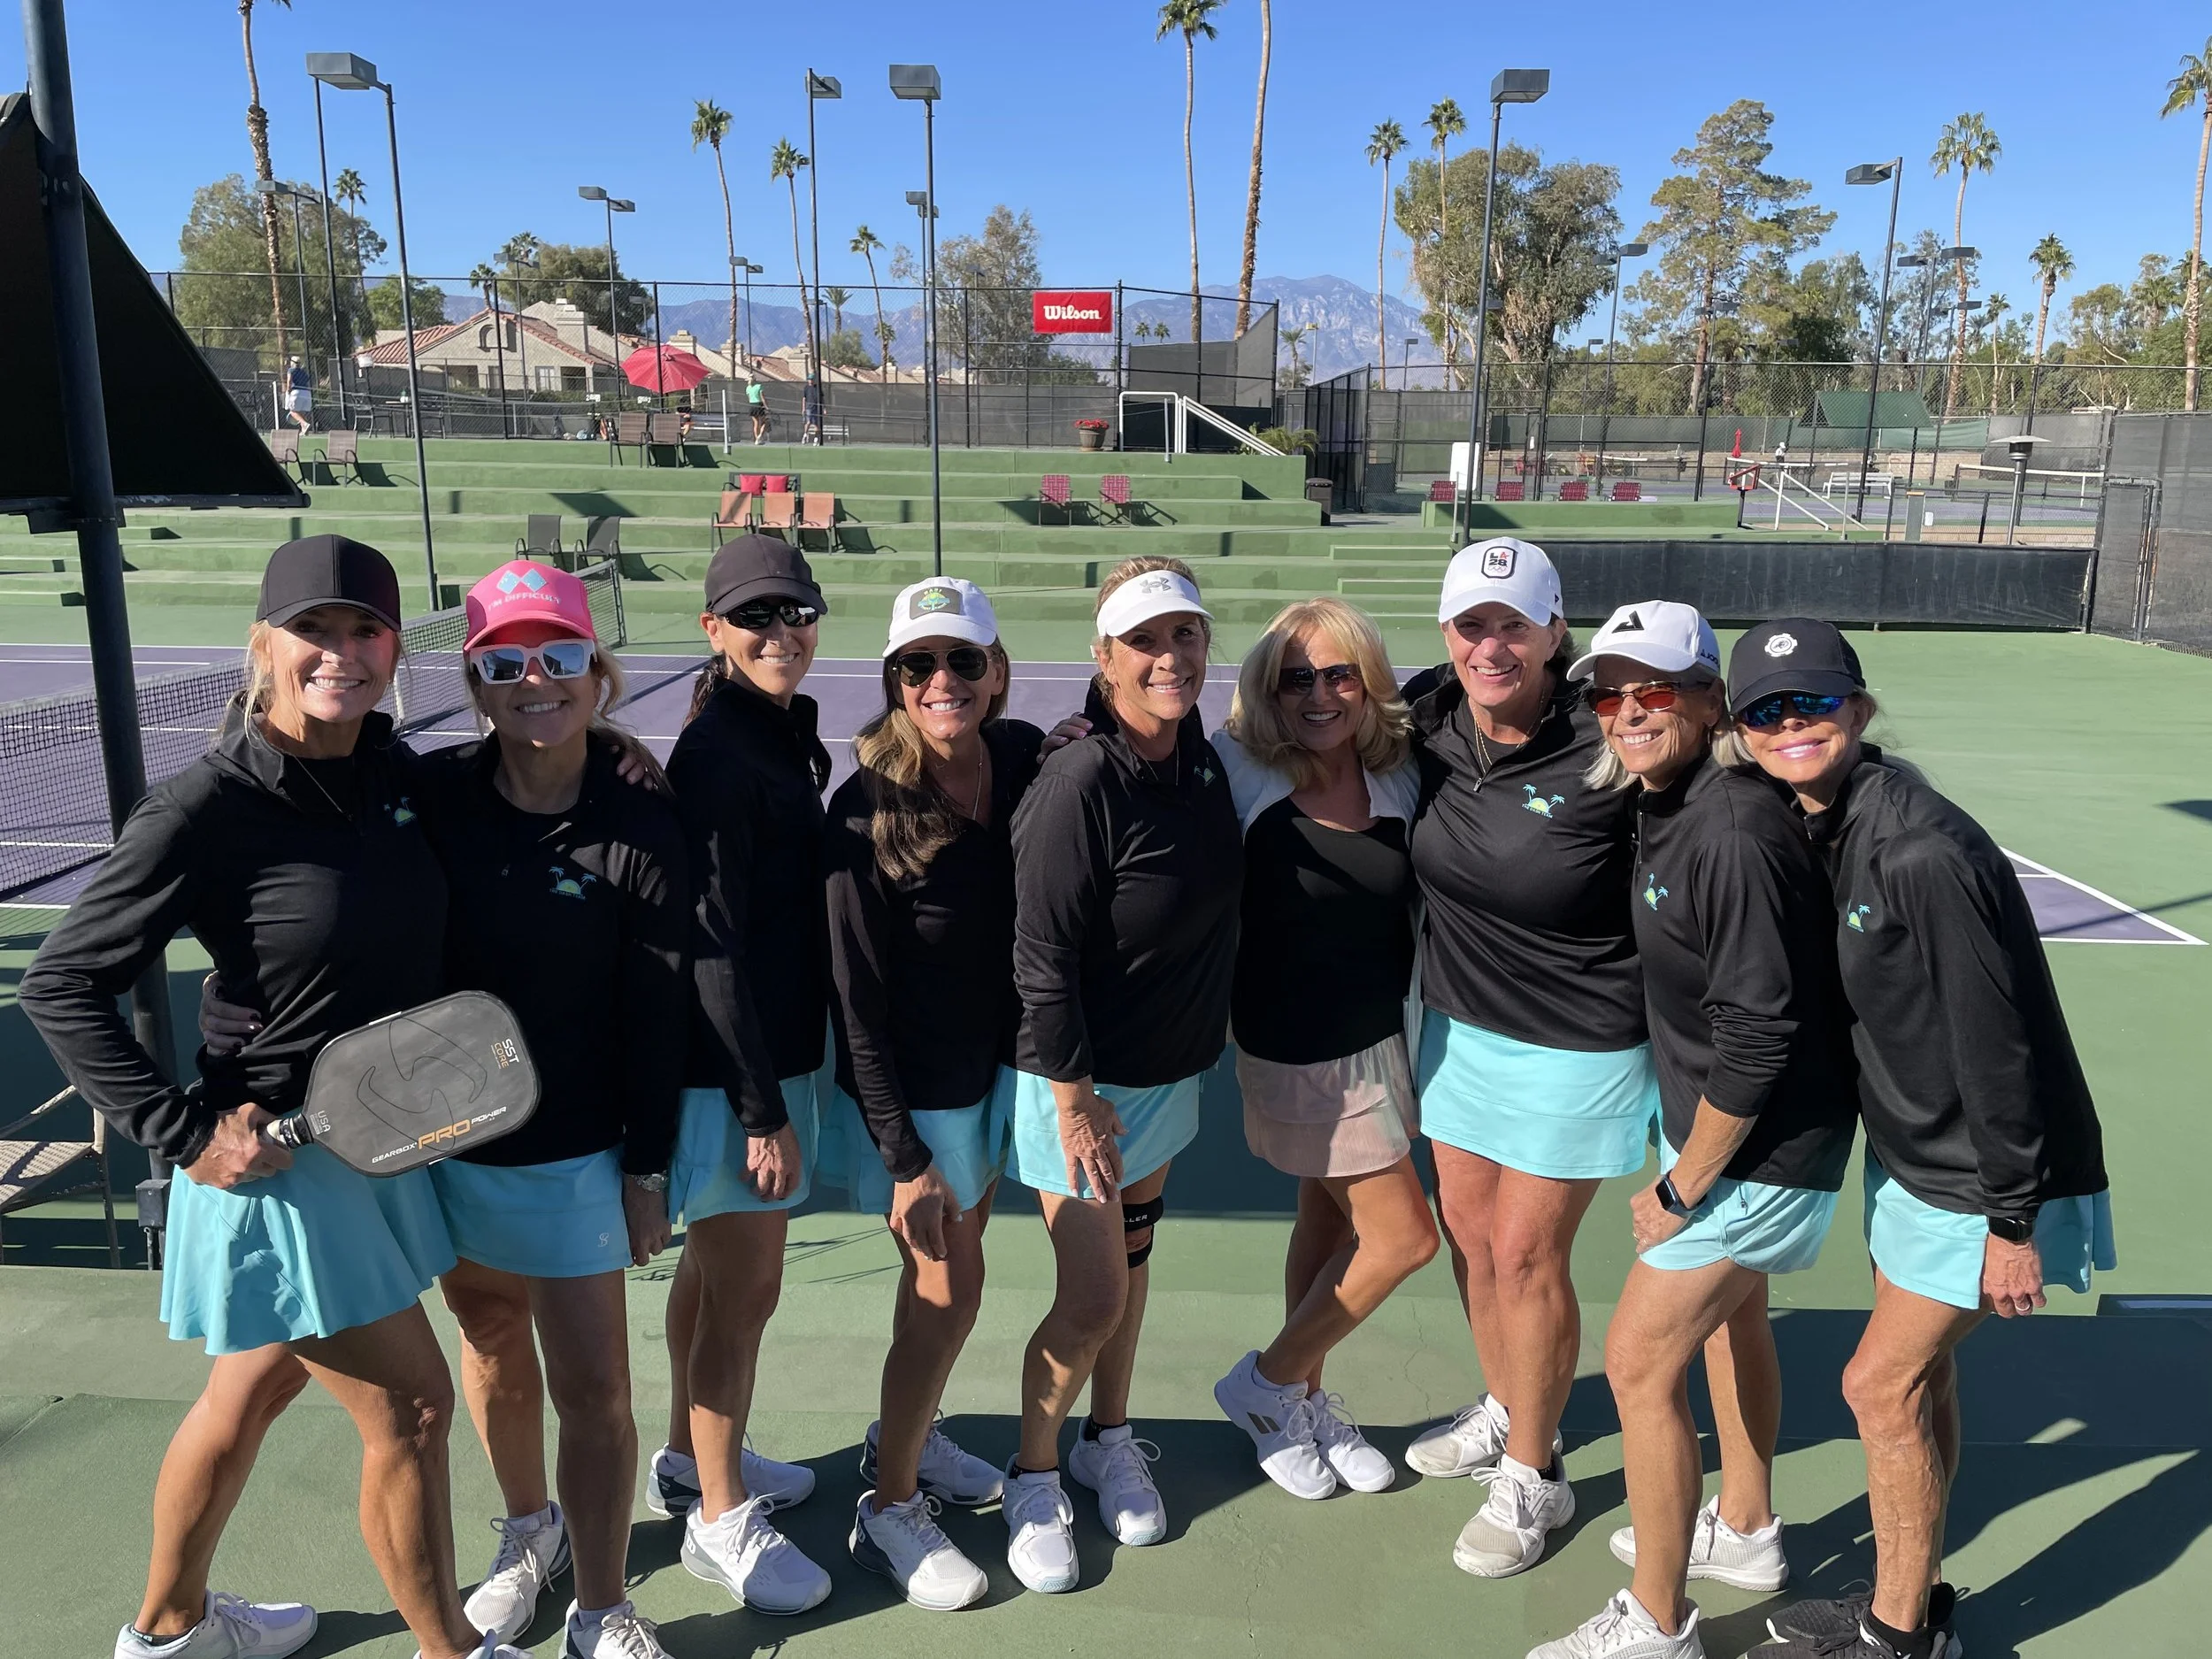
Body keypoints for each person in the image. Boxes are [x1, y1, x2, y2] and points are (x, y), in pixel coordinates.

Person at [21, 535, 524, 1659]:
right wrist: (185, 1134)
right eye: (316, 631)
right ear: (266, 646)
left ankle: (167, 1632)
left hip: (383, 1146)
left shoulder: (393, 774)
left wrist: (621, 759)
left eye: (365, 632)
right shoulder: (204, 808)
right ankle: (455, 1650)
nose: (340, 654)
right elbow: (61, 984)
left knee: (248, 1397)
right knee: (412, 1409)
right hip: (281, 1168)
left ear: (397, 649)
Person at [195, 561, 689, 1658]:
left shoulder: (640, 824)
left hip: (576, 1153)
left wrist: (647, 1166)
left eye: (560, 658)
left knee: (598, 1388)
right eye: (504, 662)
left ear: (595, 673)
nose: (535, 681)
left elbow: (659, 1013)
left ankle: (603, 1607)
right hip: (436, 1146)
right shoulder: (423, 793)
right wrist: (214, 1092)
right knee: (490, 1338)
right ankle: (529, 1536)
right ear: (473, 682)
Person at [1728, 619, 2115, 1659]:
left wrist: (2012, 1219)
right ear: (1744, 734)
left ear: (1857, 708)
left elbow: (1998, 1047)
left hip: (1982, 1175)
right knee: (1926, 1381)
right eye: (1766, 710)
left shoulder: (1917, 848)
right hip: (1913, 1159)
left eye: (1811, 702)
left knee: (1877, 1384)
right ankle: (1916, 1599)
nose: (1791, 724)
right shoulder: (1827, 818)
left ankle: (1894, 1641)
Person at [1531, 602, 1857, 1659]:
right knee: (1731, 1324)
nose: (1628, 711)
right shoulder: (1671, 799)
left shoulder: (1729, 827)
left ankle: (1657, 1621)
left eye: (1655, 689)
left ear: (1710, 698)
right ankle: (1749, 1527)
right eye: (1609, 692)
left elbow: (1761, 1038)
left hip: (1756, 1152)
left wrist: (1681, 1189)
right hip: (1721, 1136)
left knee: (1636, 1364)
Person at [1400, 537, 1658, 1578]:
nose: (1490, 645)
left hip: (1580, 1039)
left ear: (1558, 633)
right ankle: (1508, 1398)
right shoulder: (1427, 721)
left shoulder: (1609, 738)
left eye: (1514, 624)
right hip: (1458, 1029)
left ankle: (1533, 1473)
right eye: (1471, 625)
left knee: (1523, 1254)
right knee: (1469, 1239)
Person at [1001, 557, 1242, 1594]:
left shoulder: (1199, 760)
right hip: (1079, 1086)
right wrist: (1074, 1102)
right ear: (1102, 660)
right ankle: (1033, 1469)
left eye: (1183, 635)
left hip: (1164, 1075)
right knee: (1092, 1295)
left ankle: (1110, 1436)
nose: (1168, 657)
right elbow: (1039, 956)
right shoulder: (1079, 780)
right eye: (1143, 642)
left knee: (1134, 1270)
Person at [820, 578, 1045, 1610]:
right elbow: (855, 1003)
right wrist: (900, 1155)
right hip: (923, 1097)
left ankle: (906, 1432)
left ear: (996, 673)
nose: (941, 681)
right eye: (918, 665)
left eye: (962, 661)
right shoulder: (864, 810)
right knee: (943, 1290)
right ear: (894, 683)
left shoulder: (1029, 758)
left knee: (961, 1281)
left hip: (1003, 1074)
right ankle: (890, 1501)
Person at [1207, 598, 1440, 1500]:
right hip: (1294, 1047)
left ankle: (1299, 1396)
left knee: (1328, 1221)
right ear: (1266, 690)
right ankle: (1266, 1383)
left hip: (1379, 1037)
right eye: (1292, 677)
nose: (1317, 694)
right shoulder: (1235, 764)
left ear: (1369, 681)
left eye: (1338, 673)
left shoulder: (1399, 774)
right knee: (1403, 1238)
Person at [653, 535, 835, 1616]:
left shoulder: (775, 731)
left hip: (768, 1059)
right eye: (756, 617)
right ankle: (720, 1521)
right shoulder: (719, 755)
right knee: (745, 1299)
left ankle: (689, 1454)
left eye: (796, 612)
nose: (781, 634)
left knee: (715, 1280)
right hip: (736, 1076)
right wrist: (760, 1111)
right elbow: (710, 943)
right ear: (714, 632)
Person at [285, 356, 312, 434]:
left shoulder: (291, 370)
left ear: (292, 363)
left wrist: (288, 391)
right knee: (301, 412)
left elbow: (289, 381)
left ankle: (304, 424)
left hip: (296, 393)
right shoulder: (304, 372)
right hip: (307, 393)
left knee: (293, 411)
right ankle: (304, 430)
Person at [746, 379, 770, 445]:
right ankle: (760, 436)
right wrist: (766, 407)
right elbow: (762, 398)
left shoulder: (748, 388)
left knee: (756, 423)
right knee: (764, 422)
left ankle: (757, 440)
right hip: (759, 405)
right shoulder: (759, 386)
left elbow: (749, 398)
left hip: (752, 405)